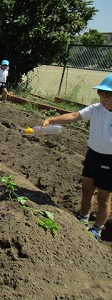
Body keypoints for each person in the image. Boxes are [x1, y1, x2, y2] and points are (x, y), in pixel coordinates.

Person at [42, 74, 112, 240]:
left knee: (103, 198)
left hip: (109, 161)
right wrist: (52, 120)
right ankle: (83, 217)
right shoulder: (96, 108)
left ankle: (97, 228)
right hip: (93, 155)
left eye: (107, 96)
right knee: (87, 189)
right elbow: (74, 116)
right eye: (101, 94)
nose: (103, 98)